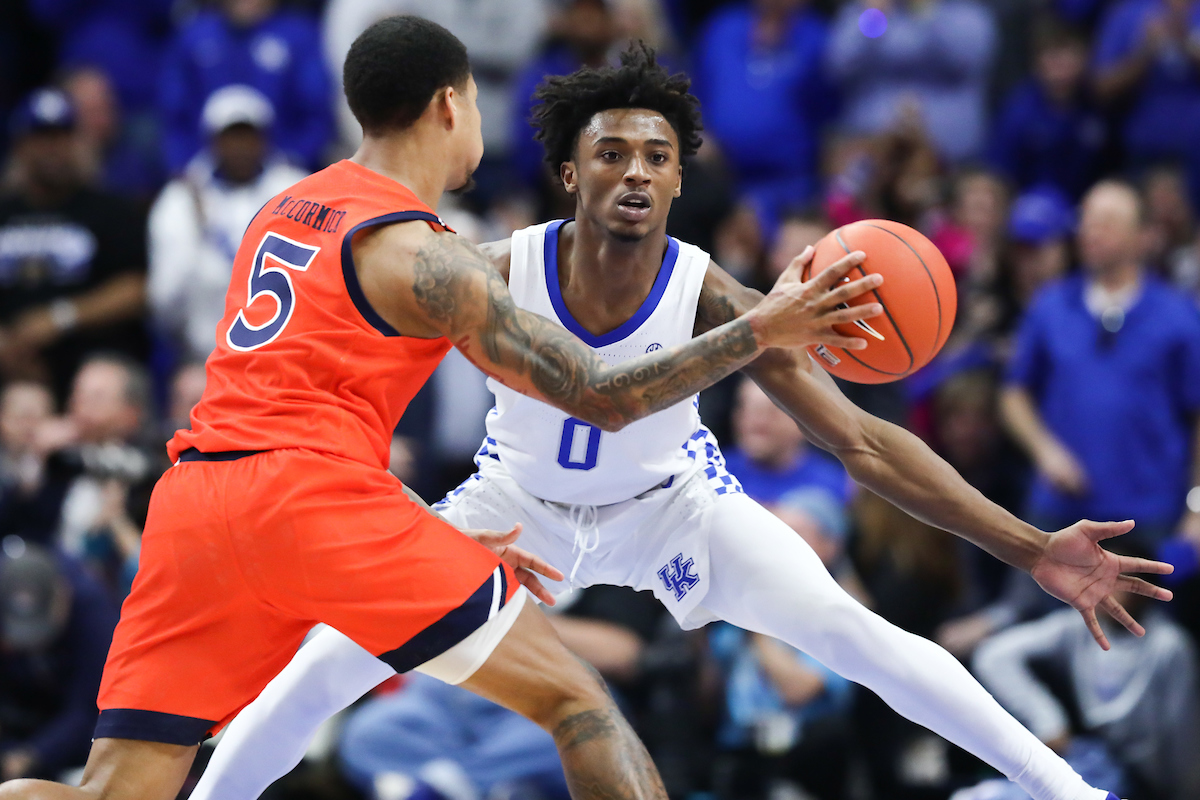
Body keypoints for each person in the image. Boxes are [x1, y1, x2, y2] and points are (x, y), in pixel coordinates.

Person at [186, 44, 1166, 800]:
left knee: (851, 630)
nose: (636, 172)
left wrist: (1033, 547)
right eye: (610, 152)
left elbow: (864, 443)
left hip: (675, 506)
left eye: (657, 155)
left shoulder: (714, 295)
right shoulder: (485, 268)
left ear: (681, 181)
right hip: (513, 504)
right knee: (321, 667)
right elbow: (358, 386)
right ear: (571, 175)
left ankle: (1068, 788)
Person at [0, 18, 871, 800]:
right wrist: (761, 329)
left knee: (112, 795)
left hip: (196, 503)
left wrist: (416, 530)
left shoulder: (282, 206)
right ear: (452, 105)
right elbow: (604, 397)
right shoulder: (425, 256)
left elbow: (296, 398)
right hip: (313, 501)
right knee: (576, 703)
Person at [1000, 181, 1200, 553]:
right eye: (1087, 220)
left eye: (1107, 222)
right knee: (1038, 610)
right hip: (1060, 510)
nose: (1091, 231)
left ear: (1143, 236)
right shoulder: (1051, 305)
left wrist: (1197, 507)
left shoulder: (1178, 315)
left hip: (1150, 512)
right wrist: (1045, 450)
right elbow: (1014, 394)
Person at [0, 88, 149, 401]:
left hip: (88, 362)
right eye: (41, 138)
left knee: (101, 379)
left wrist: (61, 316)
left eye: (62, 137)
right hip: (9, 363)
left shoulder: (109, 210)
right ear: (20, 146)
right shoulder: (5, 212)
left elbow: (136, 289)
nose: (53, 149)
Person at [148, 85, 308, 361]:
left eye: (248, 136)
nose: (240, 147)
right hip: (204, 357)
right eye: (231, 137)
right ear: (212, 141)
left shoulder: (298, 191)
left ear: (264, 138)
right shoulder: (179, 200)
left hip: (286, 355)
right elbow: (164, 301)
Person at [0, 541, 119, 782]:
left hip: (78, 727)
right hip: (22, 707)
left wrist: (31, 756)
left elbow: (88, 709)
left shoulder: (97, 616)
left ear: (62, 595)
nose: (34, 641)